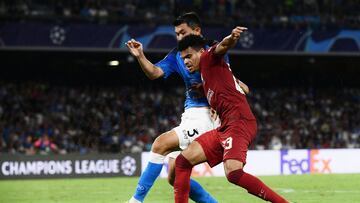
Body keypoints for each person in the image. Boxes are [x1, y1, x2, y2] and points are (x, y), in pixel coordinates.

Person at [174, 28, 289, 203]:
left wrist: (232, 38)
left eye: (189, 56)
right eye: (183, 59)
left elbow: (222, 46)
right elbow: (246, 88)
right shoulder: (206, 76)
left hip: (239, 122)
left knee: (233, 172)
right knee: (182, 162)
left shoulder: (208, 58)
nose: (186, 62)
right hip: (225, 127)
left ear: (201, 52)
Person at [124, 12, 221, 203]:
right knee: (174, 177)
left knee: (161, 143)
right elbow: (155, 73)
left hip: (207, 116)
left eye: (183, 32)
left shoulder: (214, 51)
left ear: (197, 31)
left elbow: (224, 80)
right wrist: (140, 56)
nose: (179, 37)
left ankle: (135, 201)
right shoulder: (177, 56)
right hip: (189, 115)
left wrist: (216, 101)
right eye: (176, 34)